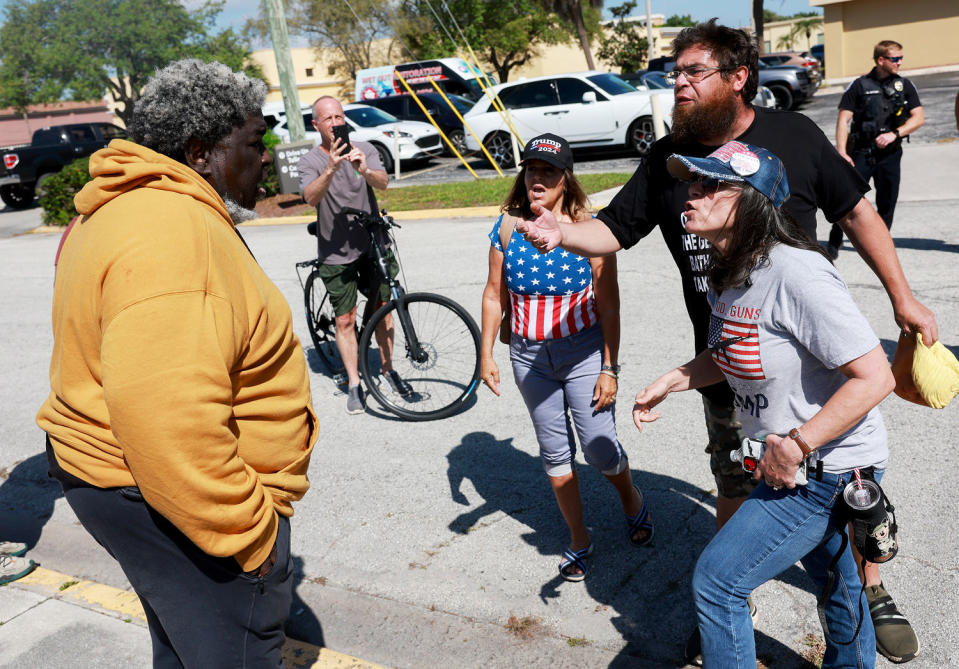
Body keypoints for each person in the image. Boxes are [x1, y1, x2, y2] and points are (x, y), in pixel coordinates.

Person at [516, 19, 932, 664]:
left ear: (739, 78)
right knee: (737, 477)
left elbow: (857, 216)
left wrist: (902, 297)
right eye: (674, 73)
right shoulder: (675, 173)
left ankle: (846, 591)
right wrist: (558, 233)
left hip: (808, 376)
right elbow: (614, 231)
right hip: (733, 359)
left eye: (692, 73)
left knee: (825, 523)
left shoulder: (791, 151)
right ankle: (739, 606)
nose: (677, 84)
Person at [36, 59, 317, 668]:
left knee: (187, 647)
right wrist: (251, 539)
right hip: (174, 501)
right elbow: (169, 419)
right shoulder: (174, 232)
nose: (266, 157)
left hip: (135, 490)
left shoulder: (131, 209)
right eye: (253, 142)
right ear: (200, 152)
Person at [634, 140, 893, 668]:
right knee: (836, 578)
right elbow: (731, 350)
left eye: (709, 184)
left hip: (829, 468)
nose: (692, 193)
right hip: (792, 463)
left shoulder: (797, 273)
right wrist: (677, 377)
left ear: (750, 199)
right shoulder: (729, 276)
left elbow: (875, 376)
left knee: (717, 582)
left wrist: (797, 445)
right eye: (692, 182)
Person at [479, 134, 652, 582]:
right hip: (529, 358)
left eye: (548, 171)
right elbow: (494, 295)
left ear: (565, 179)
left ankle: (630, 497)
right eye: (531, 170)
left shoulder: (589, 229)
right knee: (555, 455)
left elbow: (609, 303)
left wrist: (610, 368)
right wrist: (486, 354)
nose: (538, 178)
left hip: (583, 354)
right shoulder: (505, 227)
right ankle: (579, 538)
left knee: (598, 447)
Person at [298, 95, 410, 415]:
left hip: (372, 241)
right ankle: (354, 383)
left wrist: (364, 169)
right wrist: (332, 167)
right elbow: (310, 197)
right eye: (328, 119)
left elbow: (383, 182)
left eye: (339, 117)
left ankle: (388, 370)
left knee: (383, 308)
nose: (335, 124)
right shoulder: (310, 161)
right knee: (345, 318)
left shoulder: (366, 148)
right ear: (316, 125)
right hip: (336, 249)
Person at [828, 40, 925, 258]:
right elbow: (843, 120)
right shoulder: (859, 85)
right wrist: (842, 152)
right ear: (881, 60)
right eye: (895, 59)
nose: (900, 62)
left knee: (887, 201)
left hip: (890, 154)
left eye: (901, 58)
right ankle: (835, 240)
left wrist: (895, 134)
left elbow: (919, 118)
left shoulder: (905, 85)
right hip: (862, 151)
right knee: (848, 198)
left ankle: (880, 244)